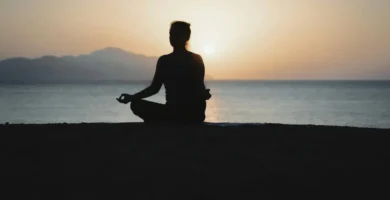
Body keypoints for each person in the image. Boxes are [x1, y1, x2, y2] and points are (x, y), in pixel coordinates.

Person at [117, 21, 211, 124]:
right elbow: (154, 88)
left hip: (190, 113)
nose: (172, 37)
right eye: (171, 34)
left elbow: (199, 87)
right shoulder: (164, 60)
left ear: (186, 37)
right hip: (172, 111)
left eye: (177, 34)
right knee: (135, 104)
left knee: (144, 110)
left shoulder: (196, 59)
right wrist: (132, 97)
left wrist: (204, 95)